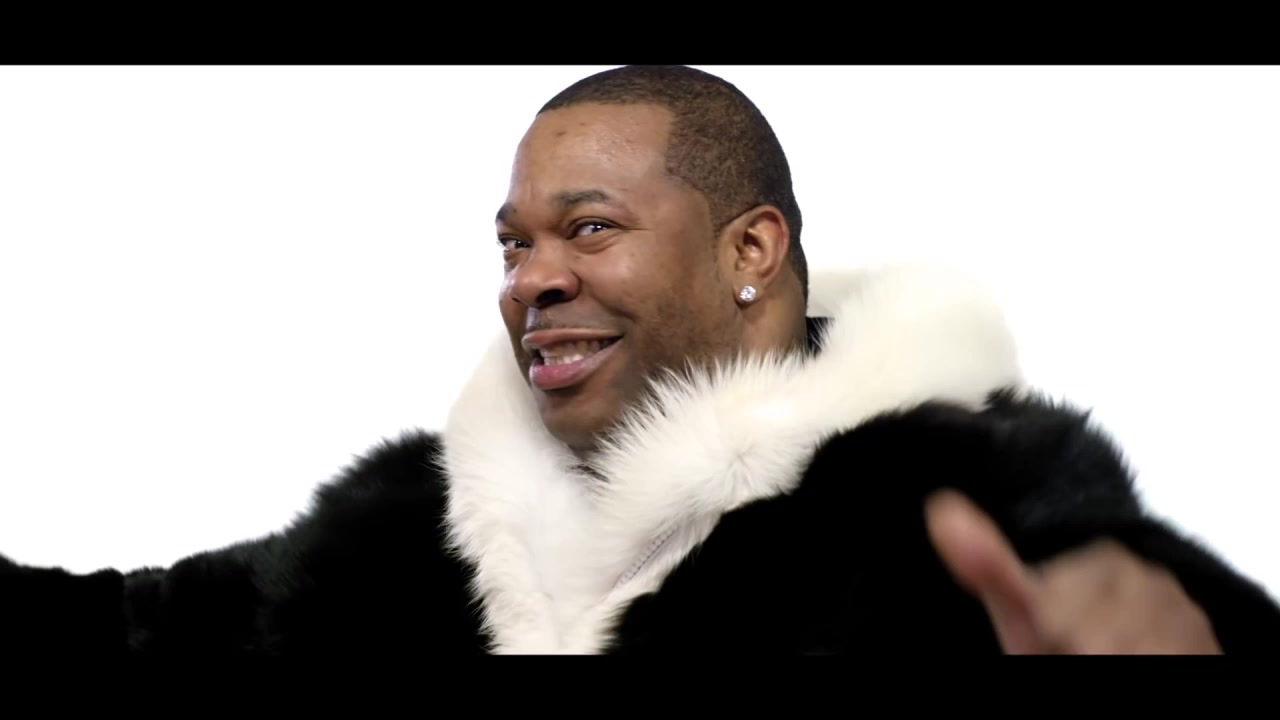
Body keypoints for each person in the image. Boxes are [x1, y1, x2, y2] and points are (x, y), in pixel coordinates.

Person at [3, 64, 1277, 655]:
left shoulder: (965, 507)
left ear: (749, 248)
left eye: (589, 229)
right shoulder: (410, 540)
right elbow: (129, 632)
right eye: (512, 243)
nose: (529, 278)